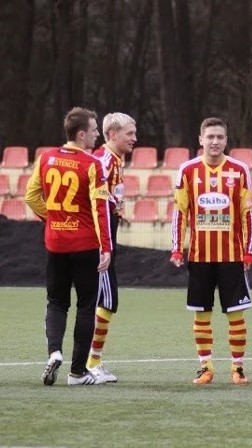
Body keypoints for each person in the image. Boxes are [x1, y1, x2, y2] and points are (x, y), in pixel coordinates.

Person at [25, 107, 113, 386]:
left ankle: (54, 352)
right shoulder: (92, 164)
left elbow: (30, 196)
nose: (98, 134)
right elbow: (101, 210)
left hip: (55, 242)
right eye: (95, 129)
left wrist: (52, 218)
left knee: (57, 301)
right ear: (81, 134)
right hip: (85, 243)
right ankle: (77, 372)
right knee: (87, 305)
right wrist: (107, 247)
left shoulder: (45, 158)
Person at [170, 117, 252, 385]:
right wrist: (177, 248)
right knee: (201, 313)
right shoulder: (187, 171)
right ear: (201, 140)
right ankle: (205, 367)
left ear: (226, 140)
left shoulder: (239, 170)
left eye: (220, 137)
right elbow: (180, 212)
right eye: (210, 137)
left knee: (236, 314)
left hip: (232, 257)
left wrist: (249, 250)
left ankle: (238, 368)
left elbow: (248, 214)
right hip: (200, 256)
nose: (215, 141)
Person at [86, 112, 137, 383]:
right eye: (129, 133)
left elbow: (108, 199)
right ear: (112, 134)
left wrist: (118, 210)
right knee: (106, 300)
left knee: (103, 301)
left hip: (105, 237)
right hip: (99, 242)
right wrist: (104, 244)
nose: (134, 138)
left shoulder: (115, 160)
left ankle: (91, 361)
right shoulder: (104, 162)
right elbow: (95, 204)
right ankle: (91, 363)